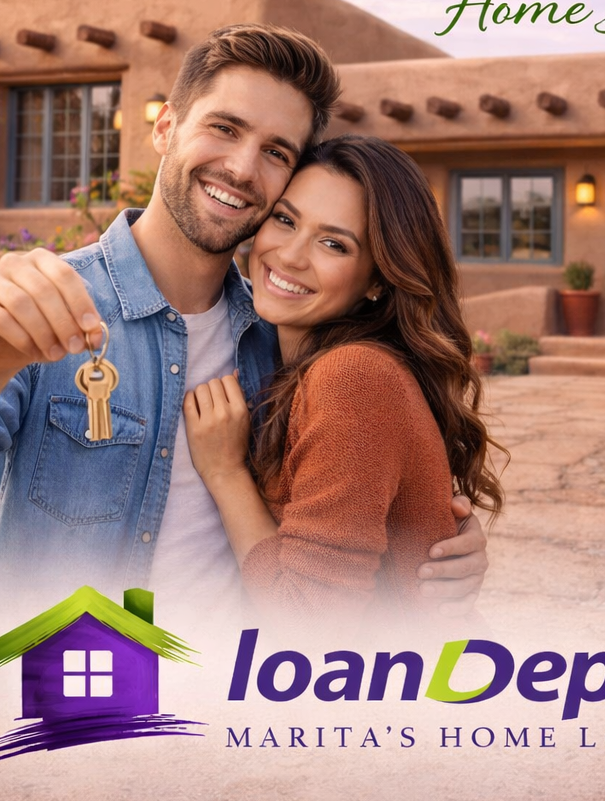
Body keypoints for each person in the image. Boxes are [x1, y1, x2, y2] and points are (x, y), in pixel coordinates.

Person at [0, 23, 487, 631]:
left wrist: (435, 544)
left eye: (274, 152)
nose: (241, 167)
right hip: (74, 706)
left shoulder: (289, 344)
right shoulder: (50, 300)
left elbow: (339, 528)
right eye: (225, 127)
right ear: (166, 128)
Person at [183, 136, 504, 630]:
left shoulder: (351, 378)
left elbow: (308, 622)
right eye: (286, 220)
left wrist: (227, 475)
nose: (289, 255)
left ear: (378, 280)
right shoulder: (283, 354)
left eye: (334, 243)